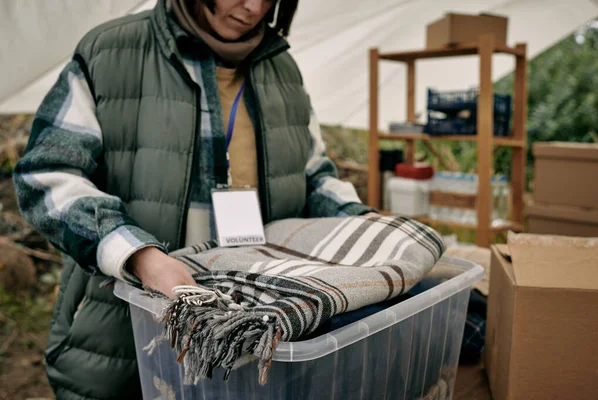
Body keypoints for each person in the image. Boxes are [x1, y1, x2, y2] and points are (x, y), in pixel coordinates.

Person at [14, 0, 375, 398]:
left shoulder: (283, 71)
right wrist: (140, 256)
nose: (253, 6)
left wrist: (370, 229)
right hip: (123, 335)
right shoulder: (111, 52)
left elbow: (315, 178)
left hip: (254, 333)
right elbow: (47, 175)